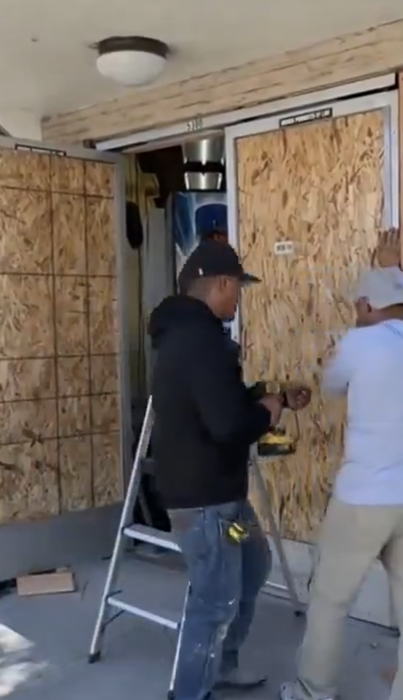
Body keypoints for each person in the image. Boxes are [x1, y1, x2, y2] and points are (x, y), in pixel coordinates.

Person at [279, 229, 403, 700]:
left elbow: (333, 385)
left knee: (330, 599)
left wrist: (381, 283)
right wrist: (393, 272)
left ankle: (313, 691)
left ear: (363, 307)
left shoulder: (361, 345)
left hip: (366, 498)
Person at [148, 239, 312, 700]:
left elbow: (214, 403)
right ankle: (189, 693)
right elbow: (229, 426)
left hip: (224, 505)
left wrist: (270, 394)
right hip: (205, 508)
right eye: (237, 287)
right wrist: (268, 411)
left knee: (253, 564)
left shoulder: (188, 335)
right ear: (222, 283)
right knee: (214, 600)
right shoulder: (202, 341)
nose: (239, 296)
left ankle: (223, 664)